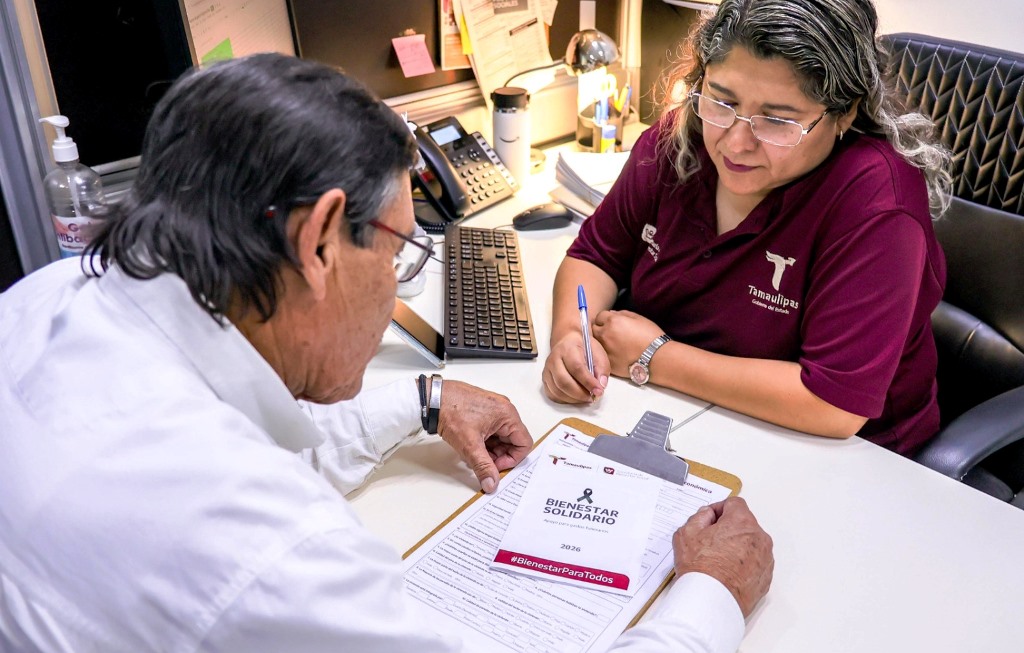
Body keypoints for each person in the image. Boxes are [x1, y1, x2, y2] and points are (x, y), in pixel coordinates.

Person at [0, 54, 773, 651]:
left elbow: (231, 438)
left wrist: (421, 401)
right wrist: (710, 594)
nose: (397, 287)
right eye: (401, 253)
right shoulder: (265, 549)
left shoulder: (47, 298)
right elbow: (234, 516)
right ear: (318, 242)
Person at [544, 0, 952, 456]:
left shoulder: (876, 203)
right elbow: (596, 256)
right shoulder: (680, 139)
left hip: (841, 456)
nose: (736, 143)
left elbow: (832, 404)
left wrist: (654, 356)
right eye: (722, 101)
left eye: (776, 121)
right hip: (685, 414)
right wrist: (571, 337)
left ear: (845, 113)